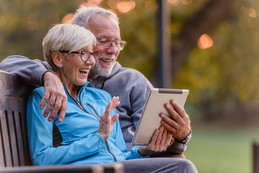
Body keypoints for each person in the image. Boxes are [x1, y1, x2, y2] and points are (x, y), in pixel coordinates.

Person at [0, 6, 191, 157]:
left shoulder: (132, 81)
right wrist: (47, 76)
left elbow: (156, 141)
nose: (112, 50)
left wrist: (181, 137)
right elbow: (9, 62)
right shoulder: (58, 71)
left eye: (117, 42)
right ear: (79, 38)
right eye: (105, 40)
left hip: (131, 161)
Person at [27, 23, 198, 173]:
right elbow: (42, 159)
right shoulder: (43, 97)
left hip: (117, 168)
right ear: (58, 58)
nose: (91, 62)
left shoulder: (102, 98)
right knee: (182, 168)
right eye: (83, 54)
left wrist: (144, 150)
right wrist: (98, 138)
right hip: (88, 170)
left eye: (92, 54)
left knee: (179, 164)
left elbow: (121, 156)